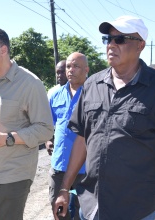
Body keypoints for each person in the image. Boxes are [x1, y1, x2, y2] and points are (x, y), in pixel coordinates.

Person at [54, 15, 155, 220]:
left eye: (120, 39)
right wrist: (65, 189)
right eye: (108, 39)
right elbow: (82, 138)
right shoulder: (92, 85)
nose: (111, 44)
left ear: (141, 45)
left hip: (138, 209)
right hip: (92, 206)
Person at [0, 27, 54, 220]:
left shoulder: (30, 83)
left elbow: (45, 128)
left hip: (14, 175)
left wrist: (6, 139)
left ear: (3, 50)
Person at [49, 52, 89, 220]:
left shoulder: (94, 94)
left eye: (76, 66)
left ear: (86, 70)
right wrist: (47, 140)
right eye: (68, 66)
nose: (70, 70)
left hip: (86, 169)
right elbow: (48, 125)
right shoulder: (55, 95)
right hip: (59, 165)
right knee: (58, 210)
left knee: (85, 213)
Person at [45, 60, 68, 155]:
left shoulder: (83, 91)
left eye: (62, 72)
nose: (59, 75)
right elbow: (47, 120)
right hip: (59, 146)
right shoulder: (52, 93)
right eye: (57, 73)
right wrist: (47, 140)